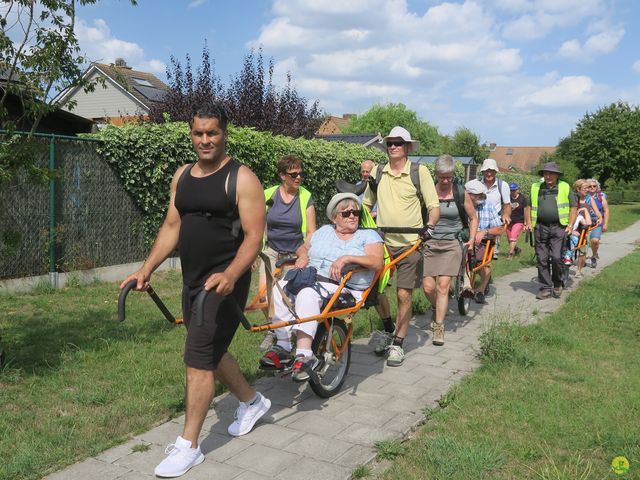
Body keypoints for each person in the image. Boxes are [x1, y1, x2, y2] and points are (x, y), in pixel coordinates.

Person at [120, 104, 270, 478]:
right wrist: (146, 268)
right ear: (192, 134)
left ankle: (188, 447)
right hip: (193, 281)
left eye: (212, 133)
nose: (205, 140)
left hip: (224, 283)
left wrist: (232, 274)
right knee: (211, 350)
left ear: (225, 134)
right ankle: (252, 402)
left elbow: (254, 237)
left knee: (198, 357)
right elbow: (172, 225)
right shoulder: (183, 176)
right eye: (198, 133)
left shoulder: (242, 178)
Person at [259, 193, 383, 380]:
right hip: (313, 278)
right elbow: (303, 247)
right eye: (346, 213)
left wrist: (347, 258)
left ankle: (304, 354)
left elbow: (376, 262)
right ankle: (283, 346)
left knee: (307, 295)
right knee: (280, 287)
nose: (352, 216)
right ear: (334, 217)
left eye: (355, 212)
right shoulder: (323, 231)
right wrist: (302, 256)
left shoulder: (367, 235)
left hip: (344, 286)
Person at [362, 126, 440, 367]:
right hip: (382, 244)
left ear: (407, 147)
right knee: (374, 292)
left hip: (410, 244)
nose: (393, 146)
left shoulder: (420, 172)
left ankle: (398, 343)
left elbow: (433, 207)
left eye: (398, 143)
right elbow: (366, 203)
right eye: (389, 143)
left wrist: (429, 228)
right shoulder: (378, 172)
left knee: (404, 293)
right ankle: (387, 328)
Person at [258, 155, 316, 349]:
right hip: (271, 251)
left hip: (295, 253)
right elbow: (256, 224)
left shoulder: (306, 197)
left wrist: (304, 254)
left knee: (288, 296)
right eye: (293, 174)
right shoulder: (268, 195)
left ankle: (288, 333)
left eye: (301, 173)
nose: (298, 177)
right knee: (264, 296)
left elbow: (311, 233)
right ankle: (272, 330)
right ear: (282, 175)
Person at [422, 155, 478, 345]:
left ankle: (439, 326)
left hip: (452, 243)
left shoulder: (460, 192)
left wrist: (471, 239)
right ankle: (437, 307)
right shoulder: (428, 191)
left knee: (443, 286)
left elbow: (473, 218)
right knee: (428, 287)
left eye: (449, 176)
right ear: (436, 174)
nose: (446, 180)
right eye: (442, 176)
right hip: (430, 243)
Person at [525, 162, 578, 300]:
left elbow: (573, 207)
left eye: (551, 173)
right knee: (541, 259)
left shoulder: (565, 187)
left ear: (557, 175)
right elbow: (528, 206)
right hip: (540, 227)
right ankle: (545, 287)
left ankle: (557, 283)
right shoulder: (535, 187)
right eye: (545, 173)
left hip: (559, 227)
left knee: (556, 257)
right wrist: (529, 223)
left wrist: (570, 225)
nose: (548, 176)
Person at [465, 179, 503, 304]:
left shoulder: (488, 205)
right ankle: (458, 286)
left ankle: (480, 290)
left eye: (482, 194)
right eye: (478, 194)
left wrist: (484, 232)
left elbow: (499, 228)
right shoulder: (461, 206)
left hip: (483, 242)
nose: (481, 196)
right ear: (468, 195)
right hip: (464, 240)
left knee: (483, 263)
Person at [478, 158, 511, 258]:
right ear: (483, 171)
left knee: (490, 255)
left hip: (494, 223)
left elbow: (507, 205)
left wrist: (506, 214)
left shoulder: (503, 185)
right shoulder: (477, 184)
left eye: (491, 171)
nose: (489, 174)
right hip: (478, 221)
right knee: (476, 253)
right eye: (486, 171)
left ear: (495, 171)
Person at [585, 178, 609, 268]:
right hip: (584, 222)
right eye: (589, 186)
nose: (592, 187)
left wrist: (605, 224)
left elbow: (606, 211)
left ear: (597, 187)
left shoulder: (601, 196)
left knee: (595, 240)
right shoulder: (583, 196)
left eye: (594, 186)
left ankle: (594, 255)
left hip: (597, 222)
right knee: (583, 242)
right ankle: (582, 258)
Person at [506, 182, 530, 259]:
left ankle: (510, 254)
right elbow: (504, 208)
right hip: (509, 221)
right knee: (510, 239)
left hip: (519, 221)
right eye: (511, 190)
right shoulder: (507, 198)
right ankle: (517, 249)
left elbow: (526, 211)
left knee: (513, 237)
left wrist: (526, 223)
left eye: (514, 190)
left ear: (517, 190)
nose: (512, 192)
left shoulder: (522, 198)